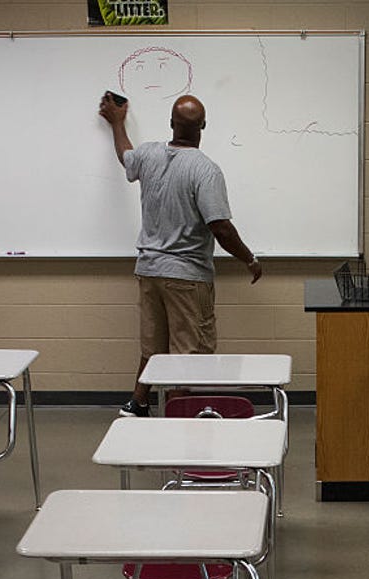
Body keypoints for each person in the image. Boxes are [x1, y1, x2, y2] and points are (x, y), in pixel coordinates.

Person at [99, 92, 262, 417]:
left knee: (154, 344)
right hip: (186, 278)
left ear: (171, 124)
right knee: (186, 354)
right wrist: (249, 259)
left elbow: (125, 156)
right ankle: (178, 419)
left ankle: (138, 403)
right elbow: (221, 228)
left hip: (149, 271)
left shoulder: (149, 154)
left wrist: (117, 122)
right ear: (203, 126)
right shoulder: (205, 170)